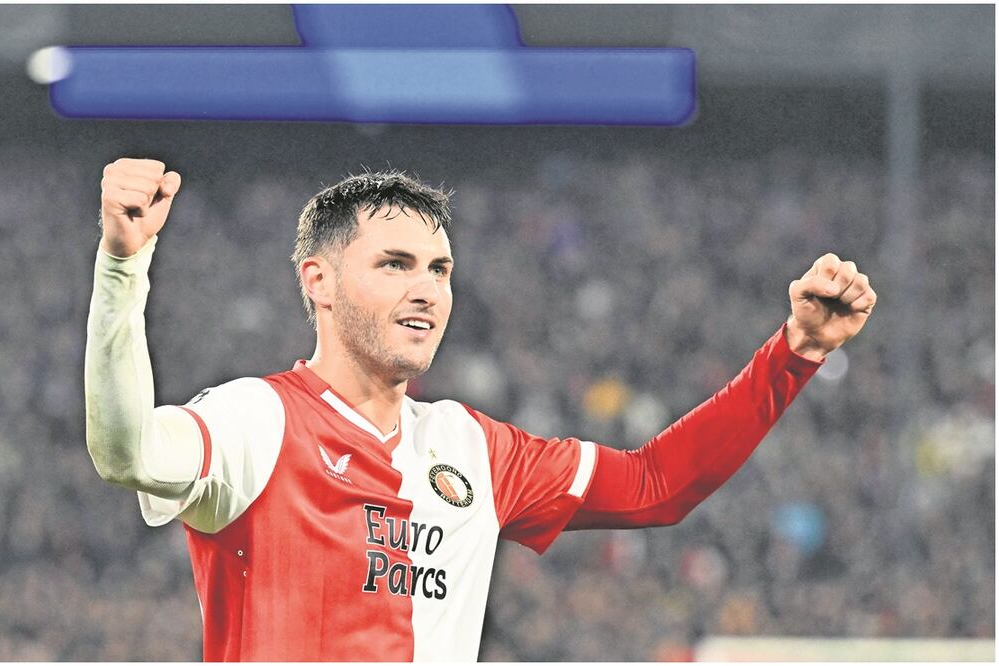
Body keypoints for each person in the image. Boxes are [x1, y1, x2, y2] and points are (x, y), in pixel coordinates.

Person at [84, 157, 877, 661]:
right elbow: (127, 453)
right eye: (393, 264)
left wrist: (796, 352)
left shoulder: (469, 447)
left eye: (439, 267)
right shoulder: (257, 420)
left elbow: (654, 485)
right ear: (317, 281)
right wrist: (124, 269)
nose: (425, 288)